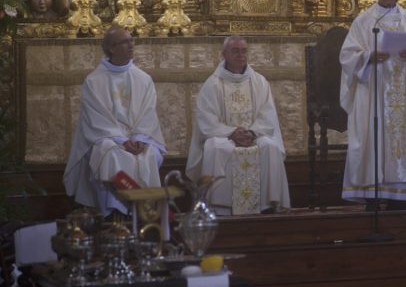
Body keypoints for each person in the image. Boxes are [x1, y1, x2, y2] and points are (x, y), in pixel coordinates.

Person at [339, 0, 406, 210]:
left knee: (403, 136)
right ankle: (374, 194)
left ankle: (402, 195)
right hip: (373, 88)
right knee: (374, 136)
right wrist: (368, 56)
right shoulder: (363, 20)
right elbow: (347, 55)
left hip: (405, 87)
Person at [63, 27, 166, 216]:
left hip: (138, 137)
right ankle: (112, 214)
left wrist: (140, 138)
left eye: (132, 40)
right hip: (107, 137)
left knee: (151, 154)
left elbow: (148, 113)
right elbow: (96, 118)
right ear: (111, 48)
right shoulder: (94, 81)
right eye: (125, 42)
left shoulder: (144, 79)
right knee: (109, 154)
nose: (131, 45)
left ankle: (144, 213)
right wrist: (122, 141)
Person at [186, 36, 290, 215]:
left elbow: (268, 115)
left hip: (253, 136)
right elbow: (207, 120)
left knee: (270, 147)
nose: (240, 55)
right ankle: (219, 207)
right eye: (235, 51)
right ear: (224, 54)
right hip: (224, 137)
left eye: (243, 51)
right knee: (214, 147)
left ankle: (268, 204)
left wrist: (252, 132)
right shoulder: (212, 84)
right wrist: (231, 132)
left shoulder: (259, 82)